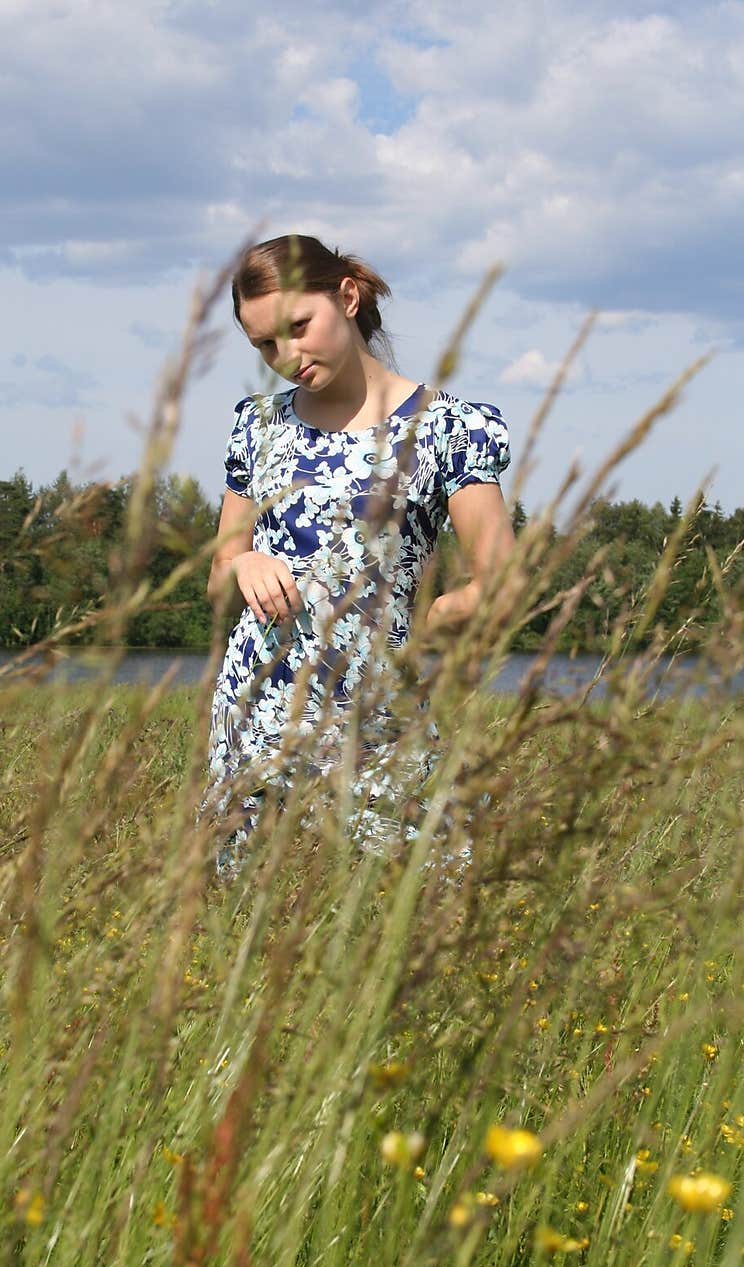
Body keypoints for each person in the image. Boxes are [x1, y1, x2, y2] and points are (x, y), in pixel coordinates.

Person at [199, 233, 515, 879]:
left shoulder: (447, 428)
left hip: (374, 707)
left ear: (346, 297)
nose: (286, 355)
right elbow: (216, 577)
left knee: (442, 883)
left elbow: (501, 586)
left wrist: (426, 623)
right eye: (264, 345)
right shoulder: (257, 426)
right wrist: (243, 565)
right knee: (241, 906)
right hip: (256, 706)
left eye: (298, 327)